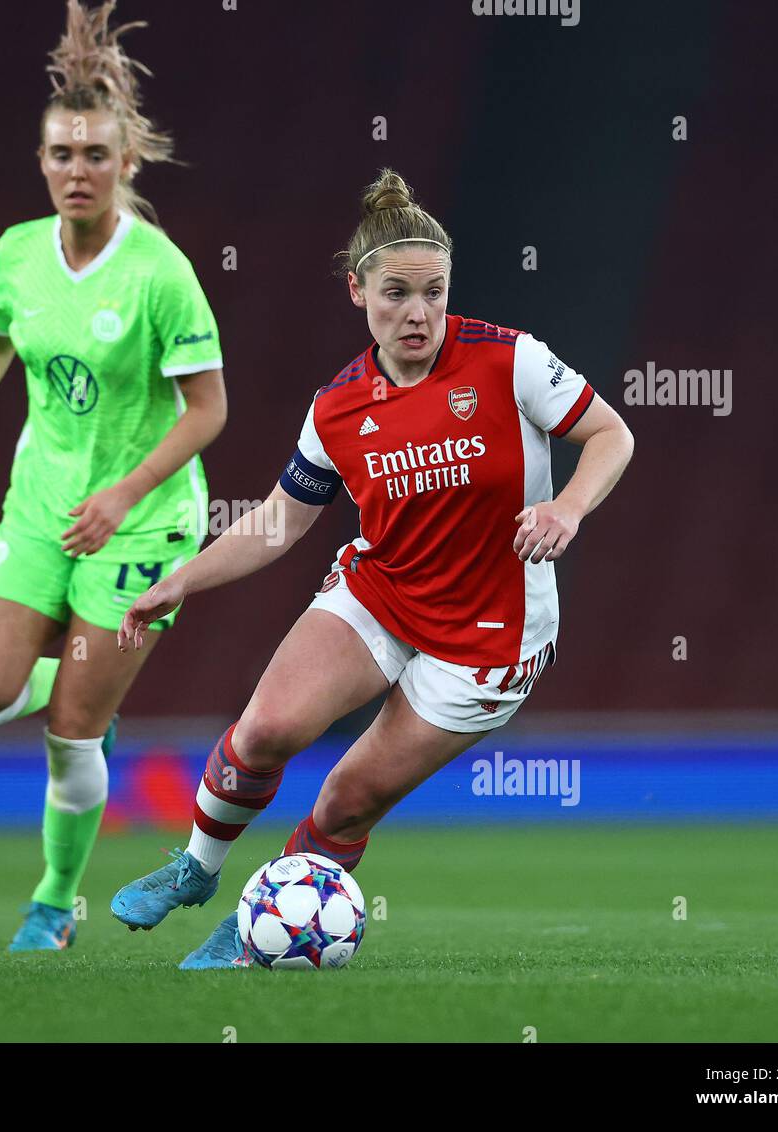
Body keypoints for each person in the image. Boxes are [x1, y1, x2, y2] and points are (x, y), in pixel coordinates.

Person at [109, 168, 635, 968]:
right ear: (358, 291)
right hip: (383, 592)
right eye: (396, 293)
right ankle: (197, 868)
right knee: (267, 731)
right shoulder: (337, 407)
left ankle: (264, 921)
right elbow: (283, 519)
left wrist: (568, 508)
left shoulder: (511, 362)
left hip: (489, 640)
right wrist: (184, 578)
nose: (418, 312)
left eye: (434, 292)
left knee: (346, 801)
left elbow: (611, 435)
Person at [0, 0, 226, 951]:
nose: (76, 170)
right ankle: (88, 677)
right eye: (61, 154)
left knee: (73, 737)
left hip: (142, 523)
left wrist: (124, 492)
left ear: (126, 162)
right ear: (42, 162)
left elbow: (211, 410)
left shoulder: (159, 274)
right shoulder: (17, 252)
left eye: (94, 154)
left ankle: (51, 902)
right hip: (41, 505)